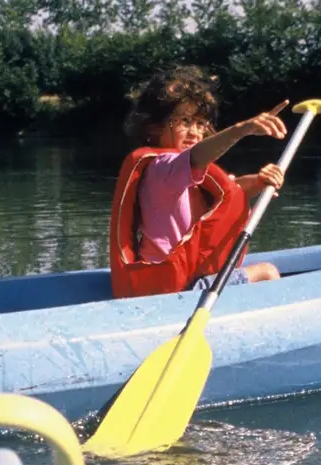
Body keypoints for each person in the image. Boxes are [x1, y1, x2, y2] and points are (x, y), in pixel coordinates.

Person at [109, 66, 289, 298]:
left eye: (201, 124)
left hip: (173, 283)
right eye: (185, 121)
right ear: (154, 126)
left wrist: (259, 181)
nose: (195, 132)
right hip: (179, 288)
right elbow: (195, 157)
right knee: (267, 271)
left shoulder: (183, 174)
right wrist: (241, 129)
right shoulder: (162, 168)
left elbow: (230, 191)